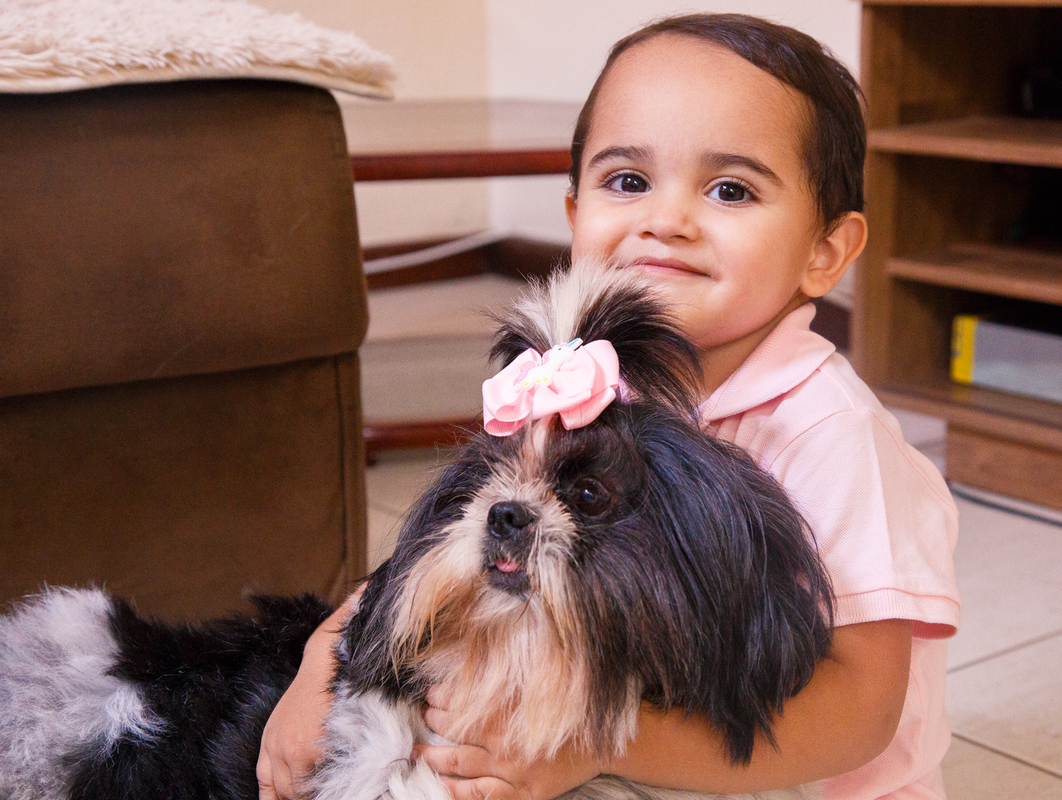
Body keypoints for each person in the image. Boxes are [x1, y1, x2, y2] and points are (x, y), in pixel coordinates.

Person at [258, 13, 959, 800]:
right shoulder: (579, 380)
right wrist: (323, 664)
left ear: (824, 252)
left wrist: (605, 746)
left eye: (731, 189)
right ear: (574, 216)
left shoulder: (832, 431)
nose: (666, 221)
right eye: (628, 181)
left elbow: (864, 708)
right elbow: (434, 555)